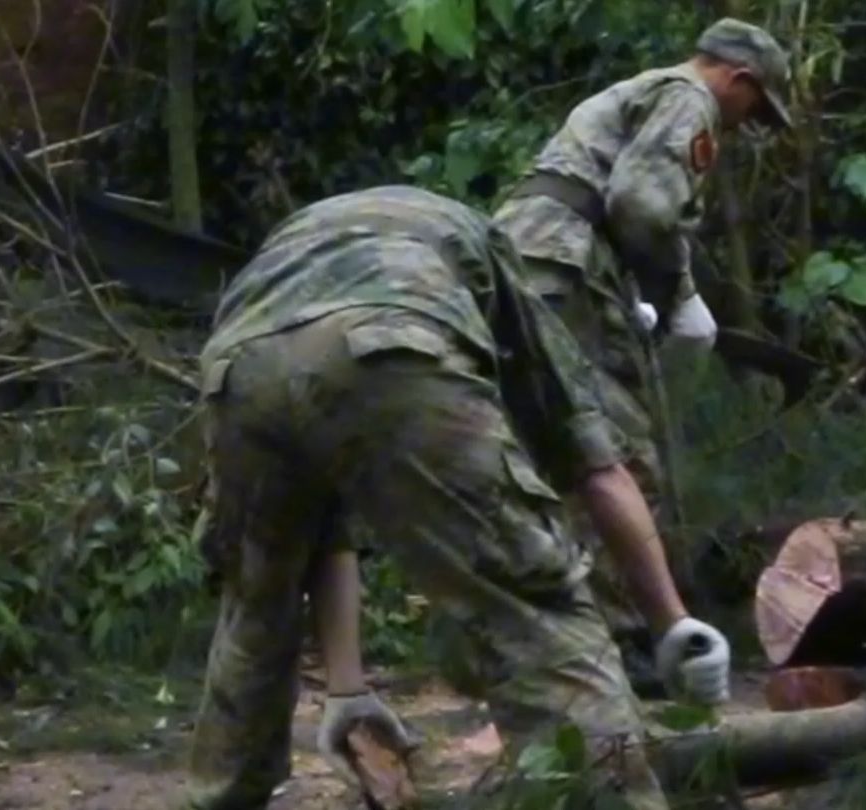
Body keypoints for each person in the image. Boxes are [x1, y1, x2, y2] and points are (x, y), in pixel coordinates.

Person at [185, 185, 731, 810]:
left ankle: (220, 798)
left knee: (255, 604)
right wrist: (671, 622)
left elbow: (322, 524)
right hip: (398, 343)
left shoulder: (294, 253)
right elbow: (595, 465)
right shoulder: (489, 248)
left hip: (235, 366)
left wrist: (347, 690)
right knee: (528, 598)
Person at [492, 18, 792, 674]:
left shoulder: (643, 93)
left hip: (537, 264)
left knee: (559, 452)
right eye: (756, 107)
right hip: (566, 271)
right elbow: (643, 207)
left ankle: (560, 636)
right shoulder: (691, 99)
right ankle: (626, 645)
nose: (747, 124)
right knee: (620, 456)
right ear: (738, 78)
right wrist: (677, 291)